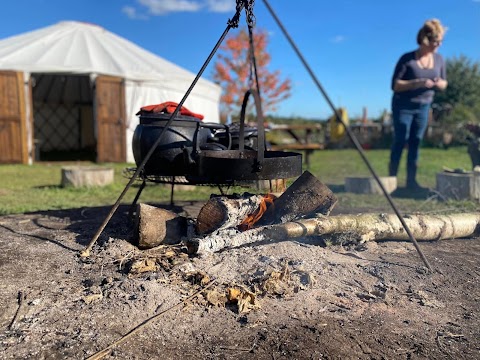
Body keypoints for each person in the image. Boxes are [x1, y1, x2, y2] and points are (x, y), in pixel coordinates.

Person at [389, 19, 448, 190]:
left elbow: (444, 83)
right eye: (436, 41)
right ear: (425, 40)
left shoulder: (439, 59)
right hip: (403, 106)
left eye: (440, 41)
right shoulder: (407, 59)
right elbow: (395, 85)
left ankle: (411, 182)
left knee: (416, 141)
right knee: (400, 140)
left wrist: (437, 83)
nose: (439, 45)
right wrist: (417, 82)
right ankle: (391, 180)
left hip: (423, 106)